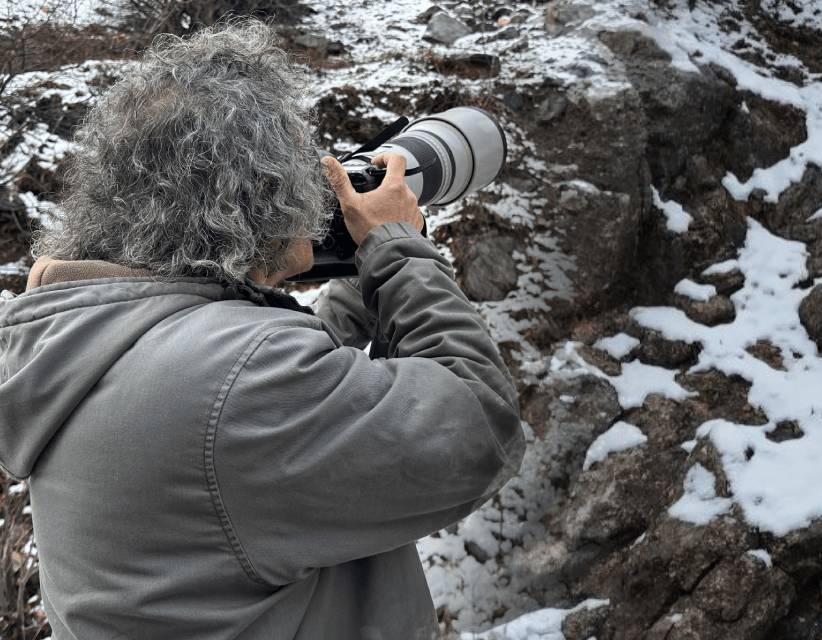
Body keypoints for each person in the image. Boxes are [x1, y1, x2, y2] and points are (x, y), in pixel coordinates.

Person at [0, 20, 524, 639]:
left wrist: (365, 274)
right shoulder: (238, 383)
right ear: (254, 192)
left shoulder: (82, 345)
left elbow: (255, 408)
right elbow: (478, 426)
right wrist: (400, 251)